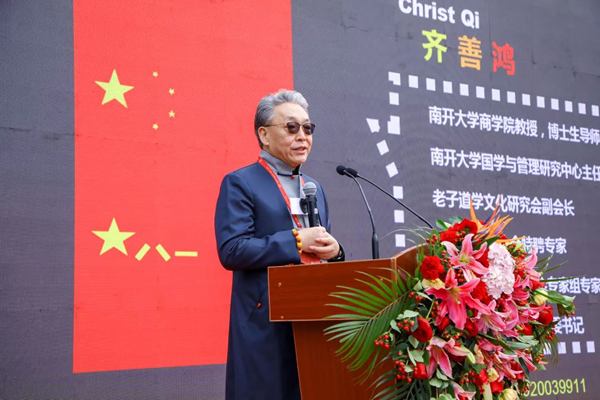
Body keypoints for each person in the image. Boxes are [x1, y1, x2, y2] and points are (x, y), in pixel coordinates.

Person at [214, 89, 345, 400]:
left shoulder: (315, 188)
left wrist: (335, 252)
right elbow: (232, 249)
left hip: (314, 319)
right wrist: (296, 240)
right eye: (291, 127)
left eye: (308, 128)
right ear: (264, 134)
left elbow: (320, 249)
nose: (302, 136)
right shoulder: (242, 182)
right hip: (266, 320)